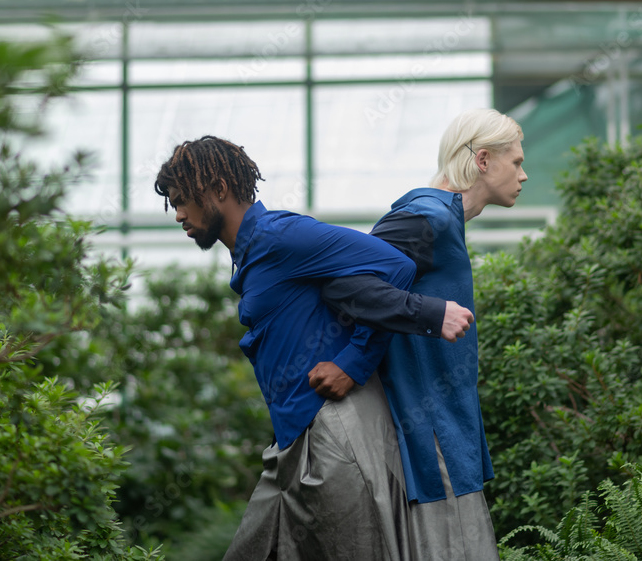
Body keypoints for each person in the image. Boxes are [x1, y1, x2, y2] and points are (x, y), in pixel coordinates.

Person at [153, 135, 473, 561]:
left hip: (336, 436)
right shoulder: (250, 255)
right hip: (291, 443)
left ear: (219, 190)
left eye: (182, 201)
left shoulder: (281, 235)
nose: (178, 215)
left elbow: (395, 265)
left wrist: (354, 362)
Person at [322, 107, 527, 561]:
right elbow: (348, 284)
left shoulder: (444, 220)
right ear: (484, 160)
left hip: (444, 430)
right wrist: (352, 364)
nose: (524, 174)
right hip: (431, 437)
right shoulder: (427, 217)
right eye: (517, 162)